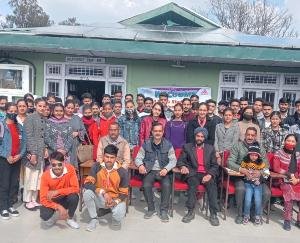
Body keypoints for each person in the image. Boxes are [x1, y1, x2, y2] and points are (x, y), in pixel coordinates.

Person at [177, 127, 220, 226]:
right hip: (193, 173)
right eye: (198, 136)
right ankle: (190, 212)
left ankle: (213, 214)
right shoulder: (187, 147)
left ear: (204, 138)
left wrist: (209, 175)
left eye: (202, 136)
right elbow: (180, 161)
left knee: (212, 187)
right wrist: (183, 166)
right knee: (192, 186)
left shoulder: (210, 148)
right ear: (195, 136)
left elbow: (215, 165)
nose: (199, 138)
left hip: (206, 173)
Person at [227, 127, 270, 224]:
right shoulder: (237, 146)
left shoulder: (261, 149)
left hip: (257, 177)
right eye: (248, 134)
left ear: (256, 137)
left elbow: (267, 164)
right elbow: (230, 162)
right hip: (241, 176)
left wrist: (260, 172)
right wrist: (242, 169)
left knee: (267, 193)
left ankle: (254, 213)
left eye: (252, 135)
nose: (250, 137)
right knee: (241, 189)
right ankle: (240, 214)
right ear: (245, 135)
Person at [135, 122, 176, 222]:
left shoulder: (168, 144)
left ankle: (163, 211)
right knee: (146, 185)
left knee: (167, 185)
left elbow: (173, 160)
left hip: (163, 171)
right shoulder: (146, 144)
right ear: (152, 132)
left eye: (159, 131)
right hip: (150, 170)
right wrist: (140, 165)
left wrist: (166, 169)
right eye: (155, 131)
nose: (157, 133)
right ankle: (151, 208)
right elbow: (138, 158)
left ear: (162, 132)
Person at [83, 144, 128, 231]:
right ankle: (94, 218)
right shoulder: (97, 166)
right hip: (101, 197)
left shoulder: (122, 171)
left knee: (119, 213)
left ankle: (115, 220)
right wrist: (103, 192)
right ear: (103, 156)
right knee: (87, 193)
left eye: (112, 157)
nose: (109, 160)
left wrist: (115, 202)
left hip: (114, 200)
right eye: (107, 157)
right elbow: (87, 183)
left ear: (116, 158)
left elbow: (124, 193)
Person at [39, 151, 80, 229]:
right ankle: (57, 214)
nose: (57, 167)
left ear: (64, 162)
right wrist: (58, 207)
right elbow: (42, 199)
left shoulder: (70, 168)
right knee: (45, 217)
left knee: (74, 197)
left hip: (64, 197)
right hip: (52, 200)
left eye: (59, 164)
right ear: (50, 164)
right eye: (54, 165)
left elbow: (76, 188)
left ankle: (69, 218)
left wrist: (57, 191)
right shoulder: (45, 176)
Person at [0, 102, 26, 219]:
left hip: (16, 159)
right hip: (5, 160)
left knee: (14, 183)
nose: (13, 113)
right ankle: (3, 207)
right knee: (4, 184)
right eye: (11, 111)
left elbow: (24, 143)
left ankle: (10, 205)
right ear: (6, 111)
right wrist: (6, 155)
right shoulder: (2, 126)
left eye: (15, 111)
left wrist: (20, 155)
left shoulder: (19, 126)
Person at [23, 98, 47, 210]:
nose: (42, 108)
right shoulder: (30, 118)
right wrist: (33, 153)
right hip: (33, 153)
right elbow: (29, 136)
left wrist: (45, 149)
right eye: (40, 106)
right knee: (30, 176)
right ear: (35, 106)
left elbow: (43, 137)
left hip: (41, 152)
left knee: (38, 177)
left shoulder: (43, 118)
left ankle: (34, 199)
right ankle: (27, 200)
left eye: (43, 106)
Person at [273, 134, 300, 231]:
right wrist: (289, 174)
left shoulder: (298, 155)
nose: (290, 143)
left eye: (293, 141)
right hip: (282, 179)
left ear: (296, 143)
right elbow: (276, 168)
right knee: (290, 193)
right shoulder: (278, 153)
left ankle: (299, 220)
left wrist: (297, 179)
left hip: (296, 180)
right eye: (288, 140)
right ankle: (287, 220)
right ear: (284, 141)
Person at [240, 144, 269, 225]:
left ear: (258, 156)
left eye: (256, 155)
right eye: (252, 155)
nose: (253, 157)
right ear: (249, 154)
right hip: (248, 183)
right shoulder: (245, 162)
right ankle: (246, 215)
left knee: (257, 200)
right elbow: (241, 171)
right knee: (248, 200)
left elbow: (267, 173)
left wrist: (260, 180)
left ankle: (257, 216)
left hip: (257, 184)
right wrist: (245, 174)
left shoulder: (261, 163)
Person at [64, 100, 86, 169]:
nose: (70, 110)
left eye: (72, 108)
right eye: (68, 108)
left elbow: (83, 130)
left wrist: (78, 133)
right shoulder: (60, 118)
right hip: (64, 146)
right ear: (65, 107)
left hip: (75, 145)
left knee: (75, 165)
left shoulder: (77, 118)